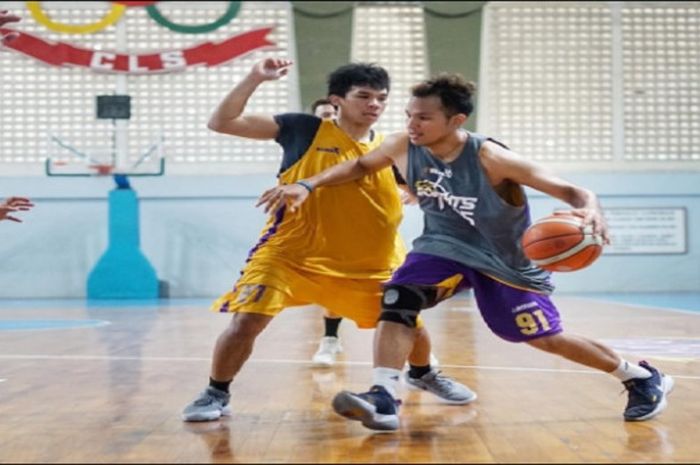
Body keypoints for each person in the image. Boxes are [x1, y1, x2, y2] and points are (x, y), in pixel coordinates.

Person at [257, 73, 674, 431]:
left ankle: (638, 376)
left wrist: (592, 209)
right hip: (443, 248)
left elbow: (572, 190)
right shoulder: (404, 144)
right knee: (398, 298)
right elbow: (361, 166)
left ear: (455, 120)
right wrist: (308, 184)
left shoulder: (493, 158)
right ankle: (384, 394)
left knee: (543, 338)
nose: (411, 123)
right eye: (409, 115)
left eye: (424, 117)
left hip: (503, 262)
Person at [181, 59, 475, 423]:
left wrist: (417, 192)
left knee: (408, 327)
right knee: (247, 321)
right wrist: (256, 76)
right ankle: (216, 392)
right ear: (337, 99)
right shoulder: (303, 130)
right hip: (292, 254)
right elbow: (221, 122)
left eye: (382, 98)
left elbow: (427, 183)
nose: (375, 105)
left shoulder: (398, 146)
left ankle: (423, 374)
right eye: (364, 96)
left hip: (371, 260)